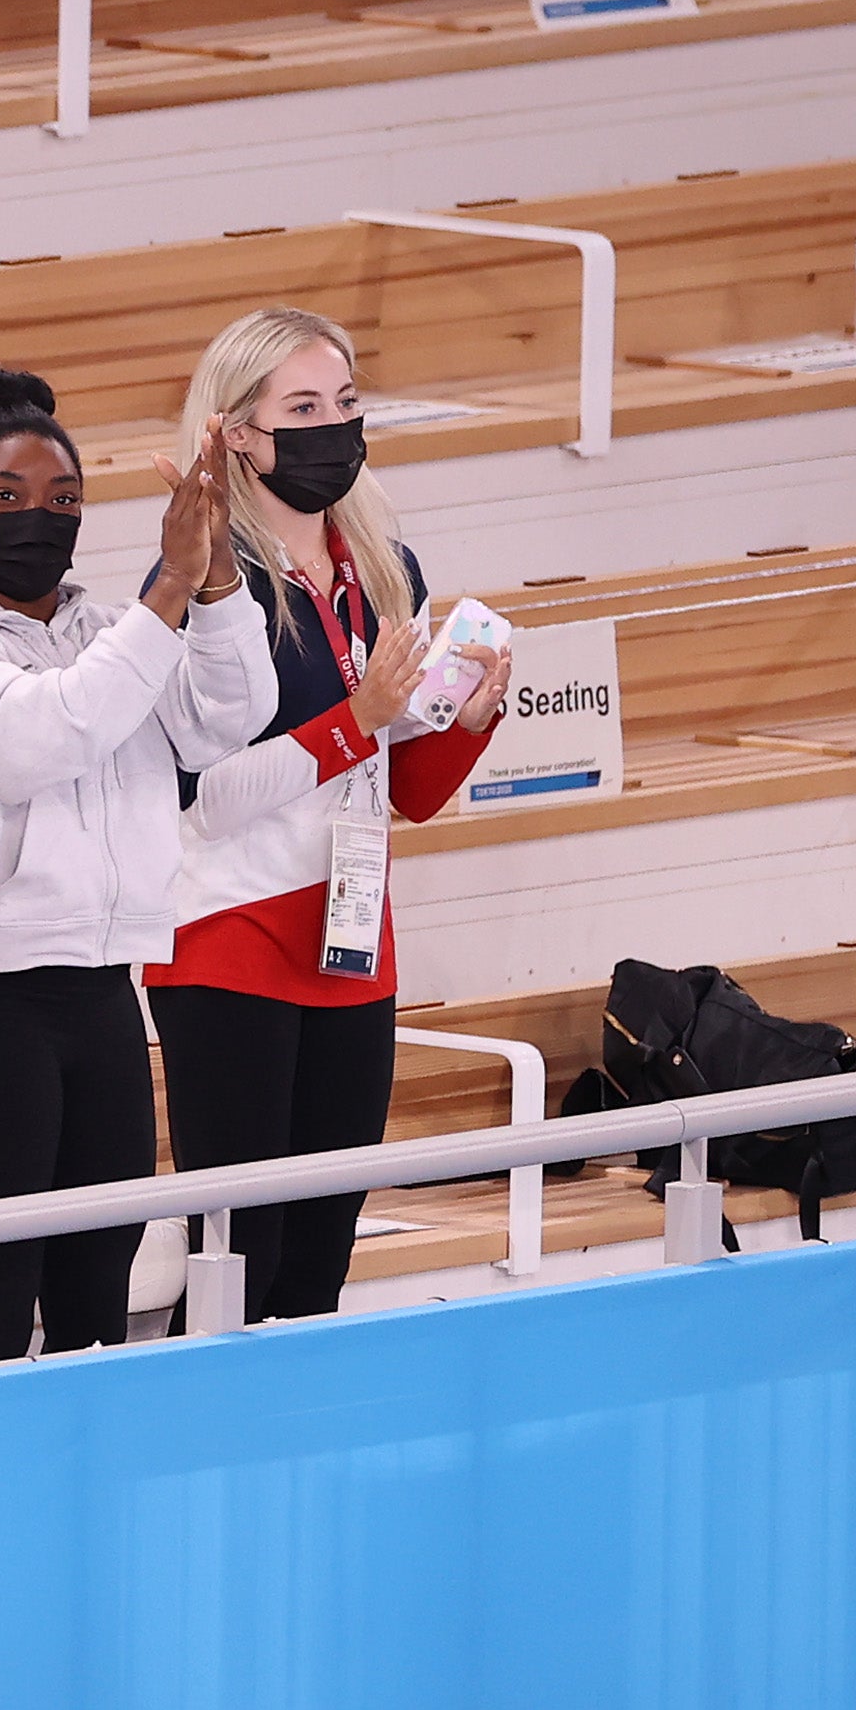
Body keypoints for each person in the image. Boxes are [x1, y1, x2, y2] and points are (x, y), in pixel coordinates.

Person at [0, 365, 276, 1367]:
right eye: (5, 498)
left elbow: (230, 715)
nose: (35, 519)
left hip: (104, 1000)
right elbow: (43, 738)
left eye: (63, 501)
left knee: (101, 1295)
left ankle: (85, 1513)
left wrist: (218, 577)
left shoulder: (110, 628)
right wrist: (170, 589)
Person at [142, 308, 514, 1326]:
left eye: (345, 403)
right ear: (235, 435)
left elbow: (411, 793)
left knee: (320, 1259)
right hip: (231, 937)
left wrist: (467, 720)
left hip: (354, 936)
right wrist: (358, 721)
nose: (333, 426)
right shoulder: (207, 581)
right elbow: (204, 797)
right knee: (238, 1257)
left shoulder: (383, 567)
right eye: (301, 407)